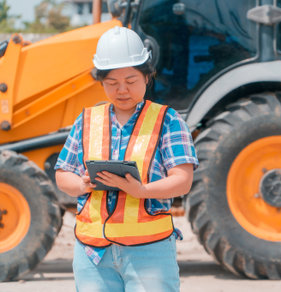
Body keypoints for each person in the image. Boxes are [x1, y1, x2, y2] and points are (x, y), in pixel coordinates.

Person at [55, 26, 198, 292]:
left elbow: (183, 180)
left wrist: (142, 190)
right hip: (93, 254)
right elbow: (63, 173)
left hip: (149, 252)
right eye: (112, 83)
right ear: (101, 82)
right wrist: (82, 185)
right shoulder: (86, 121)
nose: (122, 90)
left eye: (131, 81)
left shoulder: (167, 121)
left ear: (147, 77)